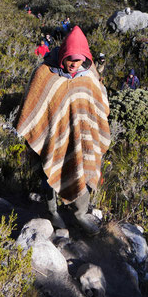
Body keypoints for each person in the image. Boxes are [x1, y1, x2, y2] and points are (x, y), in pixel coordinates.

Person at [16, 26, 111, 234]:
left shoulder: (88, 74)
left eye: (78, 61)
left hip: (82, 135)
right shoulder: (45, 73)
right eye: (70, 60)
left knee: (84, 167)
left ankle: (80, 214)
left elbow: (100, 103)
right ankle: (52, 212)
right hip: (54, 135)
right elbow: (32, 103)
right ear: (63, 56)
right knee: (50, 168)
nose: (73, 65)